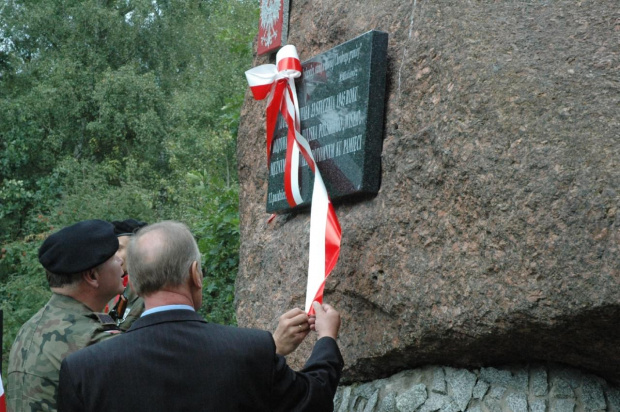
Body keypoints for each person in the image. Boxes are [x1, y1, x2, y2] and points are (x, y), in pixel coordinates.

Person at [58, 221, 343, 412]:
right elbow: (312, 400)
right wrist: (327, 340)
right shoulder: (253, 349)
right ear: (195, 274)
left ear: (132, 283)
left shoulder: (83, 370)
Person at [7, 220, 125, 412]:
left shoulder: (31, 326)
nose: (121, 261)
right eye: (113, 257)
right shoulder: (95, 341)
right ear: (93, 276)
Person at [108, 218, 148, 330]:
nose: (113, 256)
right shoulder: (112, 290)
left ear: (138, 251)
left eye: (119, 249)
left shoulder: (149, 293)